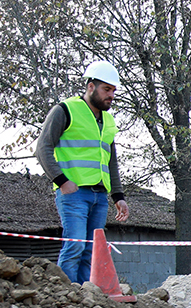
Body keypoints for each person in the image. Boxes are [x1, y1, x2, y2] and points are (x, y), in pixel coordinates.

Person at [35, 61, 129, 283]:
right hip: (74, 194)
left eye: (114, 91)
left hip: (100, 196)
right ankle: (68, 299)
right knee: (75, 246)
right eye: (106, 89)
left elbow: (110, 161)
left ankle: (87, 297)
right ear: (90, 87)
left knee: (91, 252)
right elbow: (42, 148)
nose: (111, 95)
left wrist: (118, 196)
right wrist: (61, 181)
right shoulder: (65, 110)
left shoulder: (108, 121)